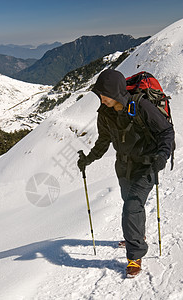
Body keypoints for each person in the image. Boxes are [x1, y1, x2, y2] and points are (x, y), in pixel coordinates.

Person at [77, 69, 175, 278]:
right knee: (131, 205)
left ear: (115, 91)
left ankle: (135, 254)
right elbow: (103, 141)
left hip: (147, 165)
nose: (101, 98)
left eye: (104, 94)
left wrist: (162, 156)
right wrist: (88, 159)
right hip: (123, 167)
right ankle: (137, 236)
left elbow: (166, 131)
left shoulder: (141, 106)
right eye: (100, 95)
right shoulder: (104, 113)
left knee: (131, 207)